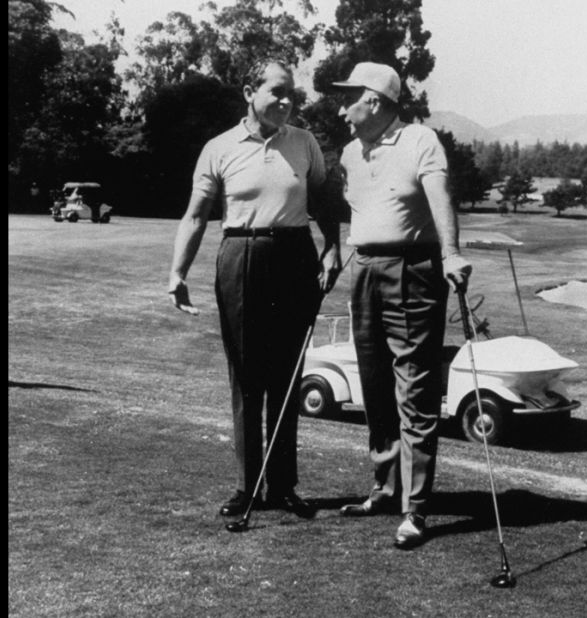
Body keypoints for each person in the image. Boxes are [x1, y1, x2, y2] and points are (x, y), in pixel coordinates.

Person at [167, 60, 341, 520]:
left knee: (287, 376)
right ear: (249, 90)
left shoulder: (304, 143)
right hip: (240, 256)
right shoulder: (219, 147)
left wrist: (331, 248)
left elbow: (323, 201)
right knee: (247, 376)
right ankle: (247, 487)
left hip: (295, 256)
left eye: (292, 95)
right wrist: (177, 273)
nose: (286, 101)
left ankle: (282, 485)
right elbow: (195, 215)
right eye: (277, 92)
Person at [329, 62, 472, 549]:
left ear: (374, 101)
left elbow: (440, 198)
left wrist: (451, 253)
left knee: (415, 387)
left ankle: (416, 508)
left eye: (348, 97)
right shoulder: (350, 151)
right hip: (364, 268)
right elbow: (355, 208)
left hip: (412, 270)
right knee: (373, 383)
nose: (341, 107)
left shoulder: (420, 141)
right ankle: (386, 489)